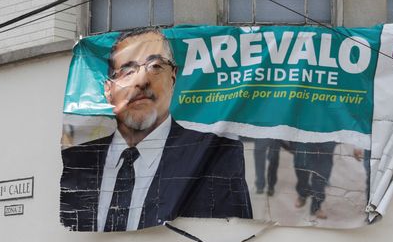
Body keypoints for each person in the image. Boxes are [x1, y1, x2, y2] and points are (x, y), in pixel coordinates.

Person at [60, 28, 252, 231]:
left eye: (155, 66)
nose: (142, 81)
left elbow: (233, 236)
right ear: (108, 90)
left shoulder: (217, 156)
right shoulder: (78, 162)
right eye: (127, 70)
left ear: (173, 77)